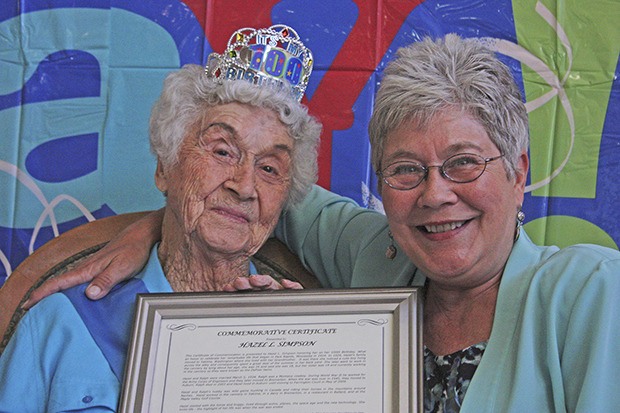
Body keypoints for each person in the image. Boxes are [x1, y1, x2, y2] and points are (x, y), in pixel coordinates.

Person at [22, 34, 620, 412]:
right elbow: (228, 198)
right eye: (407, 170)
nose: (437, 194)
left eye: (464, 163)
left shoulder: (591, 292)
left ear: (517, 172)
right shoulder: (381, 254)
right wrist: (153, 224)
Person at [0, 25, 321, 411]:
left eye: (270, 168)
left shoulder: (306, 335)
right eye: (222, 151)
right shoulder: (59, 324)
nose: (245, 185)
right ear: (165, 169)